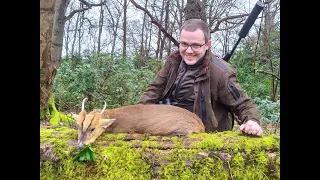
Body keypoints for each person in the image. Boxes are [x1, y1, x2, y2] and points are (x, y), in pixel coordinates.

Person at [138, 18, 263, 136]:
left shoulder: (221, 73)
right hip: (170, 127)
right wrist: (138, 114)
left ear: (207, 44)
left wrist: (252, 121)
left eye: (195, 45)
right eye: (184, 44)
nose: (189, 51)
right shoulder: (173, 61)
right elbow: (154, 90)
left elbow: (243, 104)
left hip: (204, 136)